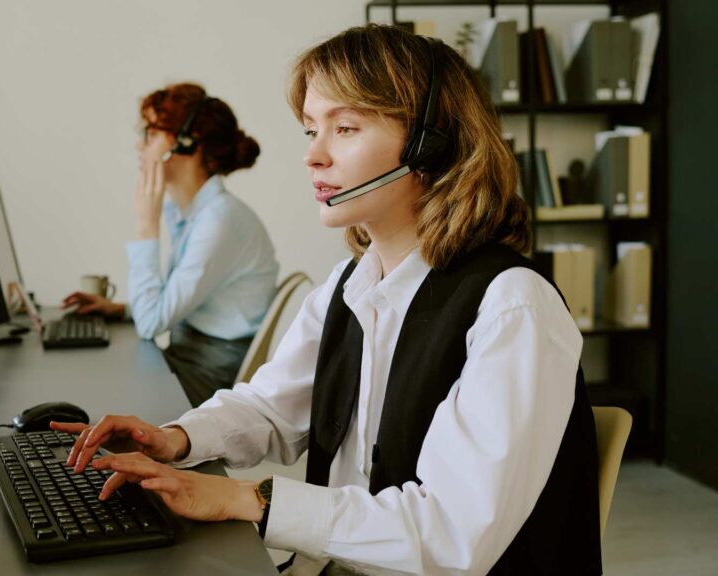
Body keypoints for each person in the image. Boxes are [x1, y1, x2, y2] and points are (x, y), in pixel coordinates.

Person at [54, 25, 600, 576]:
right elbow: (270, 406)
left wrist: (248, 500)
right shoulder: (350, 282)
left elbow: (450, 536)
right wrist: (173, 438)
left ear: (430, 144)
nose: (313, 156)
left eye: (344, 127)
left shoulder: (513, 307)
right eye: (311, 129)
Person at [63, 83, 279, 407]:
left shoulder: (219, 222)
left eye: (151, 133)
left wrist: (146, 225)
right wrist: (123, 309)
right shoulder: (193, 212)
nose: (140, 146)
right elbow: (170, 304)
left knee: (93, 385)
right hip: (189, 355)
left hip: (206, 375)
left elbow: (152, 324)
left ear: (184, 144)